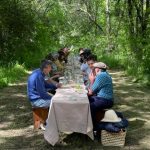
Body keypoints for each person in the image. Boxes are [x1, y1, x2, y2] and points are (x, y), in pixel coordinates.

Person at [88, 62, 114, 128]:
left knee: (90, 106)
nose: (93, 71)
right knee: (88, 100)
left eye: (94, 69)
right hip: (104, 98)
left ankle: (94, 127)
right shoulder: (105, 74)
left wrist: (91, 80)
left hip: (105, 100)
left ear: (98, 69)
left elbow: (91, 92)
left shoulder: (101, 76)